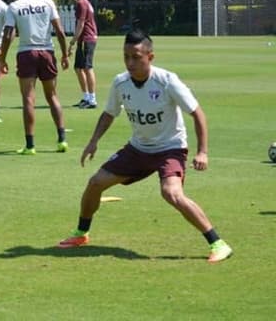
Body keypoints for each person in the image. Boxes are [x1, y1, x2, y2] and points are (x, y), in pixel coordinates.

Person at [57, 30, 233, 264]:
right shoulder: (121, 83)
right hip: (138, 149)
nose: (130, 62)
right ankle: (81, 234)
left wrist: (203, 151)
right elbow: (109, 113)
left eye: (136, 57)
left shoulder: (167, 81)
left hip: (170, 148)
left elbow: (197, 113)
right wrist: (93, 141)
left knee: (171, 193)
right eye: (126, 56)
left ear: (150, 57)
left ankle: (218, 243)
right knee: (95, 183)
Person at [0, 0, 69, 155]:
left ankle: (30, 145)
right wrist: (65, 54)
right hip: (47, 51)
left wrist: (2, 57)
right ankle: (62, 140)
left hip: (27, 53)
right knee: (52, 96)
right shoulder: (47, 2)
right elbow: (59, 31)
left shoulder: (15, 6)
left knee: (28, 98)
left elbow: (8, 34)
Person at [68, 0, 99, 109]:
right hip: (84, 39)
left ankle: (92, 99)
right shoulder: (85, 2)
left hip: (87, 38)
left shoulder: (81, 3)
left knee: (87, 67)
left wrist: (73, 41)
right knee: (78, 68)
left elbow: (81, 24)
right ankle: (86, 97)